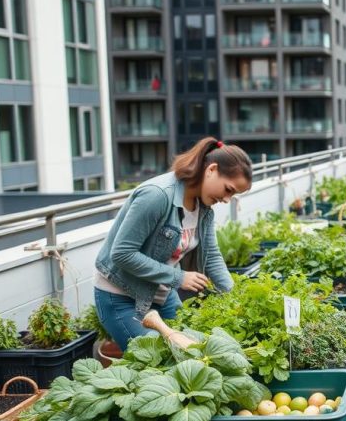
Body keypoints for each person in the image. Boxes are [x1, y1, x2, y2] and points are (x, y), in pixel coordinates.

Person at [95, 137, 253, 350]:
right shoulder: (157, 195)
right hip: (121, 297)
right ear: (212, 170)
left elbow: (212, 255)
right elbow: (122, 253)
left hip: (161, 293)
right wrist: (179, 277)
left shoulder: (203, 206)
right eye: (228, 190)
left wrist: (236, 298)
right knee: (158, 360)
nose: (227, 199)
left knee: (195, 349)